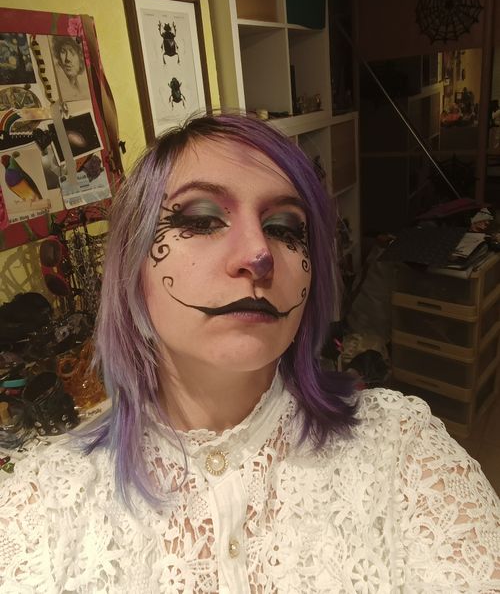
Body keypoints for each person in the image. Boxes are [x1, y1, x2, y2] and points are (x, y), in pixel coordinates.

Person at [0, 113, 499, 592]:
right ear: (132, 264)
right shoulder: (43, 505)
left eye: (285, 227)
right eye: (201, 220)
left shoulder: (401, 450)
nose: (258, 255)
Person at [51, 35, 90, 100]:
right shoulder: (56, 85)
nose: (67, 58)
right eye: (63, 52)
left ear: (80, 58)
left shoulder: (80, 87)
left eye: (72, 52)